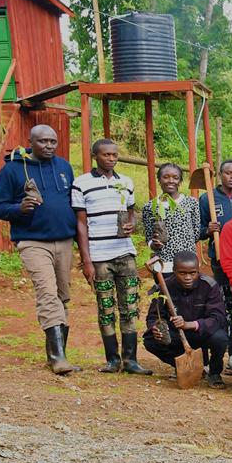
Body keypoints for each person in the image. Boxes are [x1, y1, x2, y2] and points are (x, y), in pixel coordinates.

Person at [0, 124, 79, 374]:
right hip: (32, 241)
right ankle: (59, 358)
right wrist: (18, 209)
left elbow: (73, 203)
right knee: (47, 293)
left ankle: (55, 354)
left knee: (62, 296)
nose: (49, 146)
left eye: (53, 141)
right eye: (42, 141)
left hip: (64, 240)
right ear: (30, 142)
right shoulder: (13, 169)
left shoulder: (64, 167)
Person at [72, 138, 151, 375]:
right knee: (105, 307)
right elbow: (81, 224)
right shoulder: (81, 183)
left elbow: (131, 214)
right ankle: (112, 359)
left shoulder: (125, 182)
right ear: (95, 156)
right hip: (99, 256)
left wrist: (132, 225)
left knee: (130, 306)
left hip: (125, 253)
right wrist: (87, 261)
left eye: (115, 155)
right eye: (106, 155)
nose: (111, 159)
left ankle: (130, 360)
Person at [143, 251, 229, 388]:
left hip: (202, 332)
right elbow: (153, 316)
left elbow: (218, 318)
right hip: (177, 335)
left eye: (192, 273)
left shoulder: (209, 285)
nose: (188, 277)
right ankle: (184, 365)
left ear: (198, 270)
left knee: (220, 338)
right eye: (182, 273)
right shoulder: (165, 286)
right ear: (174, 271)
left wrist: (190, 324)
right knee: (150, 340)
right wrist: (156, 327)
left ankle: (214, 372)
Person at [198, 159, 232, 314]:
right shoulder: (207, 199)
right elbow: (198, 231)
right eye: (228, 173)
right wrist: (208, 230)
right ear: (220, 175)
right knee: (224, 296)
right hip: (220, 257)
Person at [141, 163, 202, 274]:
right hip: (163, 264)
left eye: (175, 178)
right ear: (159, 180)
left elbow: (196, 234)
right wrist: (154, 244)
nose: (170, 181)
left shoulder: (191, 203)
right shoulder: (149, 207)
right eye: (165, 177)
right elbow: (149, 236)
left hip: (188, 263)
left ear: (180, 181)